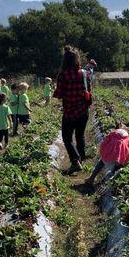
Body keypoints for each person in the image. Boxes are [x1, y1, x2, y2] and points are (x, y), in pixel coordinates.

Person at [53, 45, 92, 175]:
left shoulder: (62, 75)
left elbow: (58, 94)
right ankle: (81, 158)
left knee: (67, 138)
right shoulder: (85, 73)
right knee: (80, 135)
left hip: (69, 112)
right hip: (83, 111)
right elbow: (89, 91)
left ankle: (75, 162)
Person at [85, 122, 129, 186]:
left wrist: (102, 153)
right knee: (113, 171)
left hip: (109, 156)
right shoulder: (127, 138)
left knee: (101, 163)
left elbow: (103, 144)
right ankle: (106, 184)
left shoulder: (112, 135)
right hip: (119, 159)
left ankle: (92, 178)